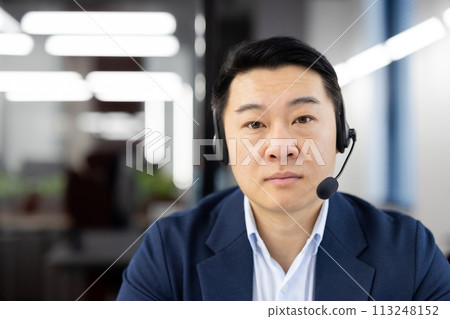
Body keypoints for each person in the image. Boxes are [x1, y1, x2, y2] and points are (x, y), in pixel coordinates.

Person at [117, 36, 450, 301]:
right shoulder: (169, 249)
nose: (280, 148)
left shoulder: (409, 252)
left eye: (303, 118)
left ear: (340, 134)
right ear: (224, 145)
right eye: (254, 124)